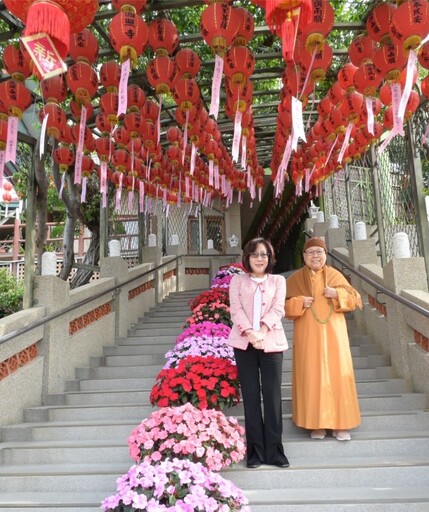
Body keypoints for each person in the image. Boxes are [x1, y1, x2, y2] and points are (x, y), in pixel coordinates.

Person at [285, 237, 362, 441]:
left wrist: (336, 293)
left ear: (325, 255)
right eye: (310, 253)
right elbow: (282, 306)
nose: (315, 256)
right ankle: (315, 424)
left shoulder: (335, 275)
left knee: (338, 375)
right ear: (304, 257)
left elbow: (355, 299)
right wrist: (299, 302)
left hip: (335, 335)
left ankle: (341, 424)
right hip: (307, 336)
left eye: (319, 252)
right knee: (311, 375)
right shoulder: (295, 279)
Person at [227, 237, 289, 469]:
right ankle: (255, 451)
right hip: (244, 344)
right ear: (247, 258)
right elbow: (236, 310)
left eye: (264, 254)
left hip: (271, 343)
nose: (259, 258)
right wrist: (251, 334)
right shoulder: (237, 281)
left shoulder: (278, 281)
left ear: (270, 258)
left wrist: (262, 332)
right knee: (251, 398)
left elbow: (278, 308)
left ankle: (275, 451)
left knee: (272, 398)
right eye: (255, 254)